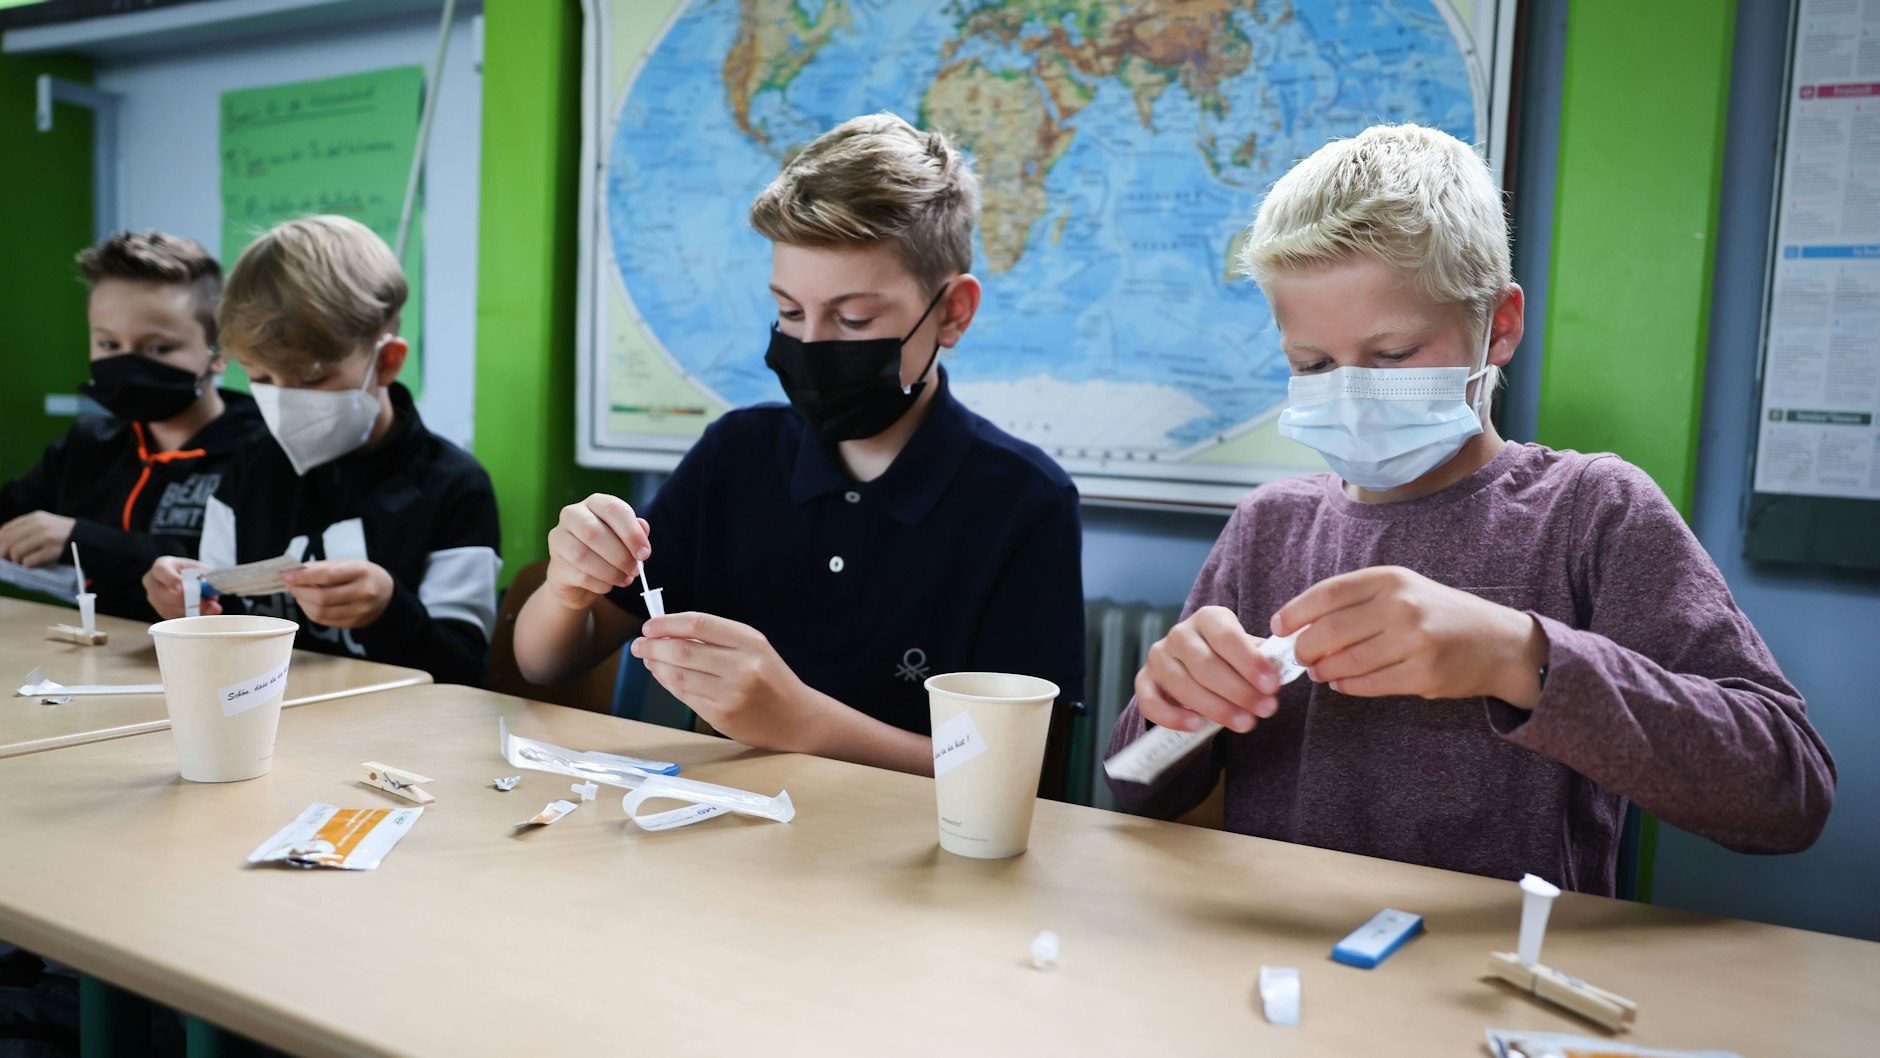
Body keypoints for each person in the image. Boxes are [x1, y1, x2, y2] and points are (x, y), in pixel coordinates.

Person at [1105, 124, 1835, 894]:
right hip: (1286, 969)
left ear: (1501, 326)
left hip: (1500, 982)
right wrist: (1170, 708)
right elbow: (1140, 789)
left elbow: (1787, 793)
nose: (1350, 392)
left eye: (1393, 357)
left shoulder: (1591, 515)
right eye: (1312, 364)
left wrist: (1518, 657)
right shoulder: (1269, 527)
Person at [515, 113, 1085, 776]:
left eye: (853, 318)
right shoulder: (735, 456)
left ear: (952, 313)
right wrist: (568, 588)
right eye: (789, 311)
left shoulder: (1022, 501)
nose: (809, 345)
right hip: (720, 842)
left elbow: (1021, 769)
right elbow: (546, 661)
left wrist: (802, 723)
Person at [142, 216, 500, 687]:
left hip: (394, 741)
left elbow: (463, 674)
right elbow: (217, 632)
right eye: (263, 379)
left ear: (387, 361)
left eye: (312, 379)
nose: (286, 402)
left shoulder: (454, 486)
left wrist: (391, 611)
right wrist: (184, 603)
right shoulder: (249, 467)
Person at [0, 231, 261, 620]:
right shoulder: (89, 443)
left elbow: (243, 573)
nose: (127, 364)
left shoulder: (261, 449)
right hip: (96, 664)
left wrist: (82, 540)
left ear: (219, 352)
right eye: (108, 345)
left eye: (158, 348)